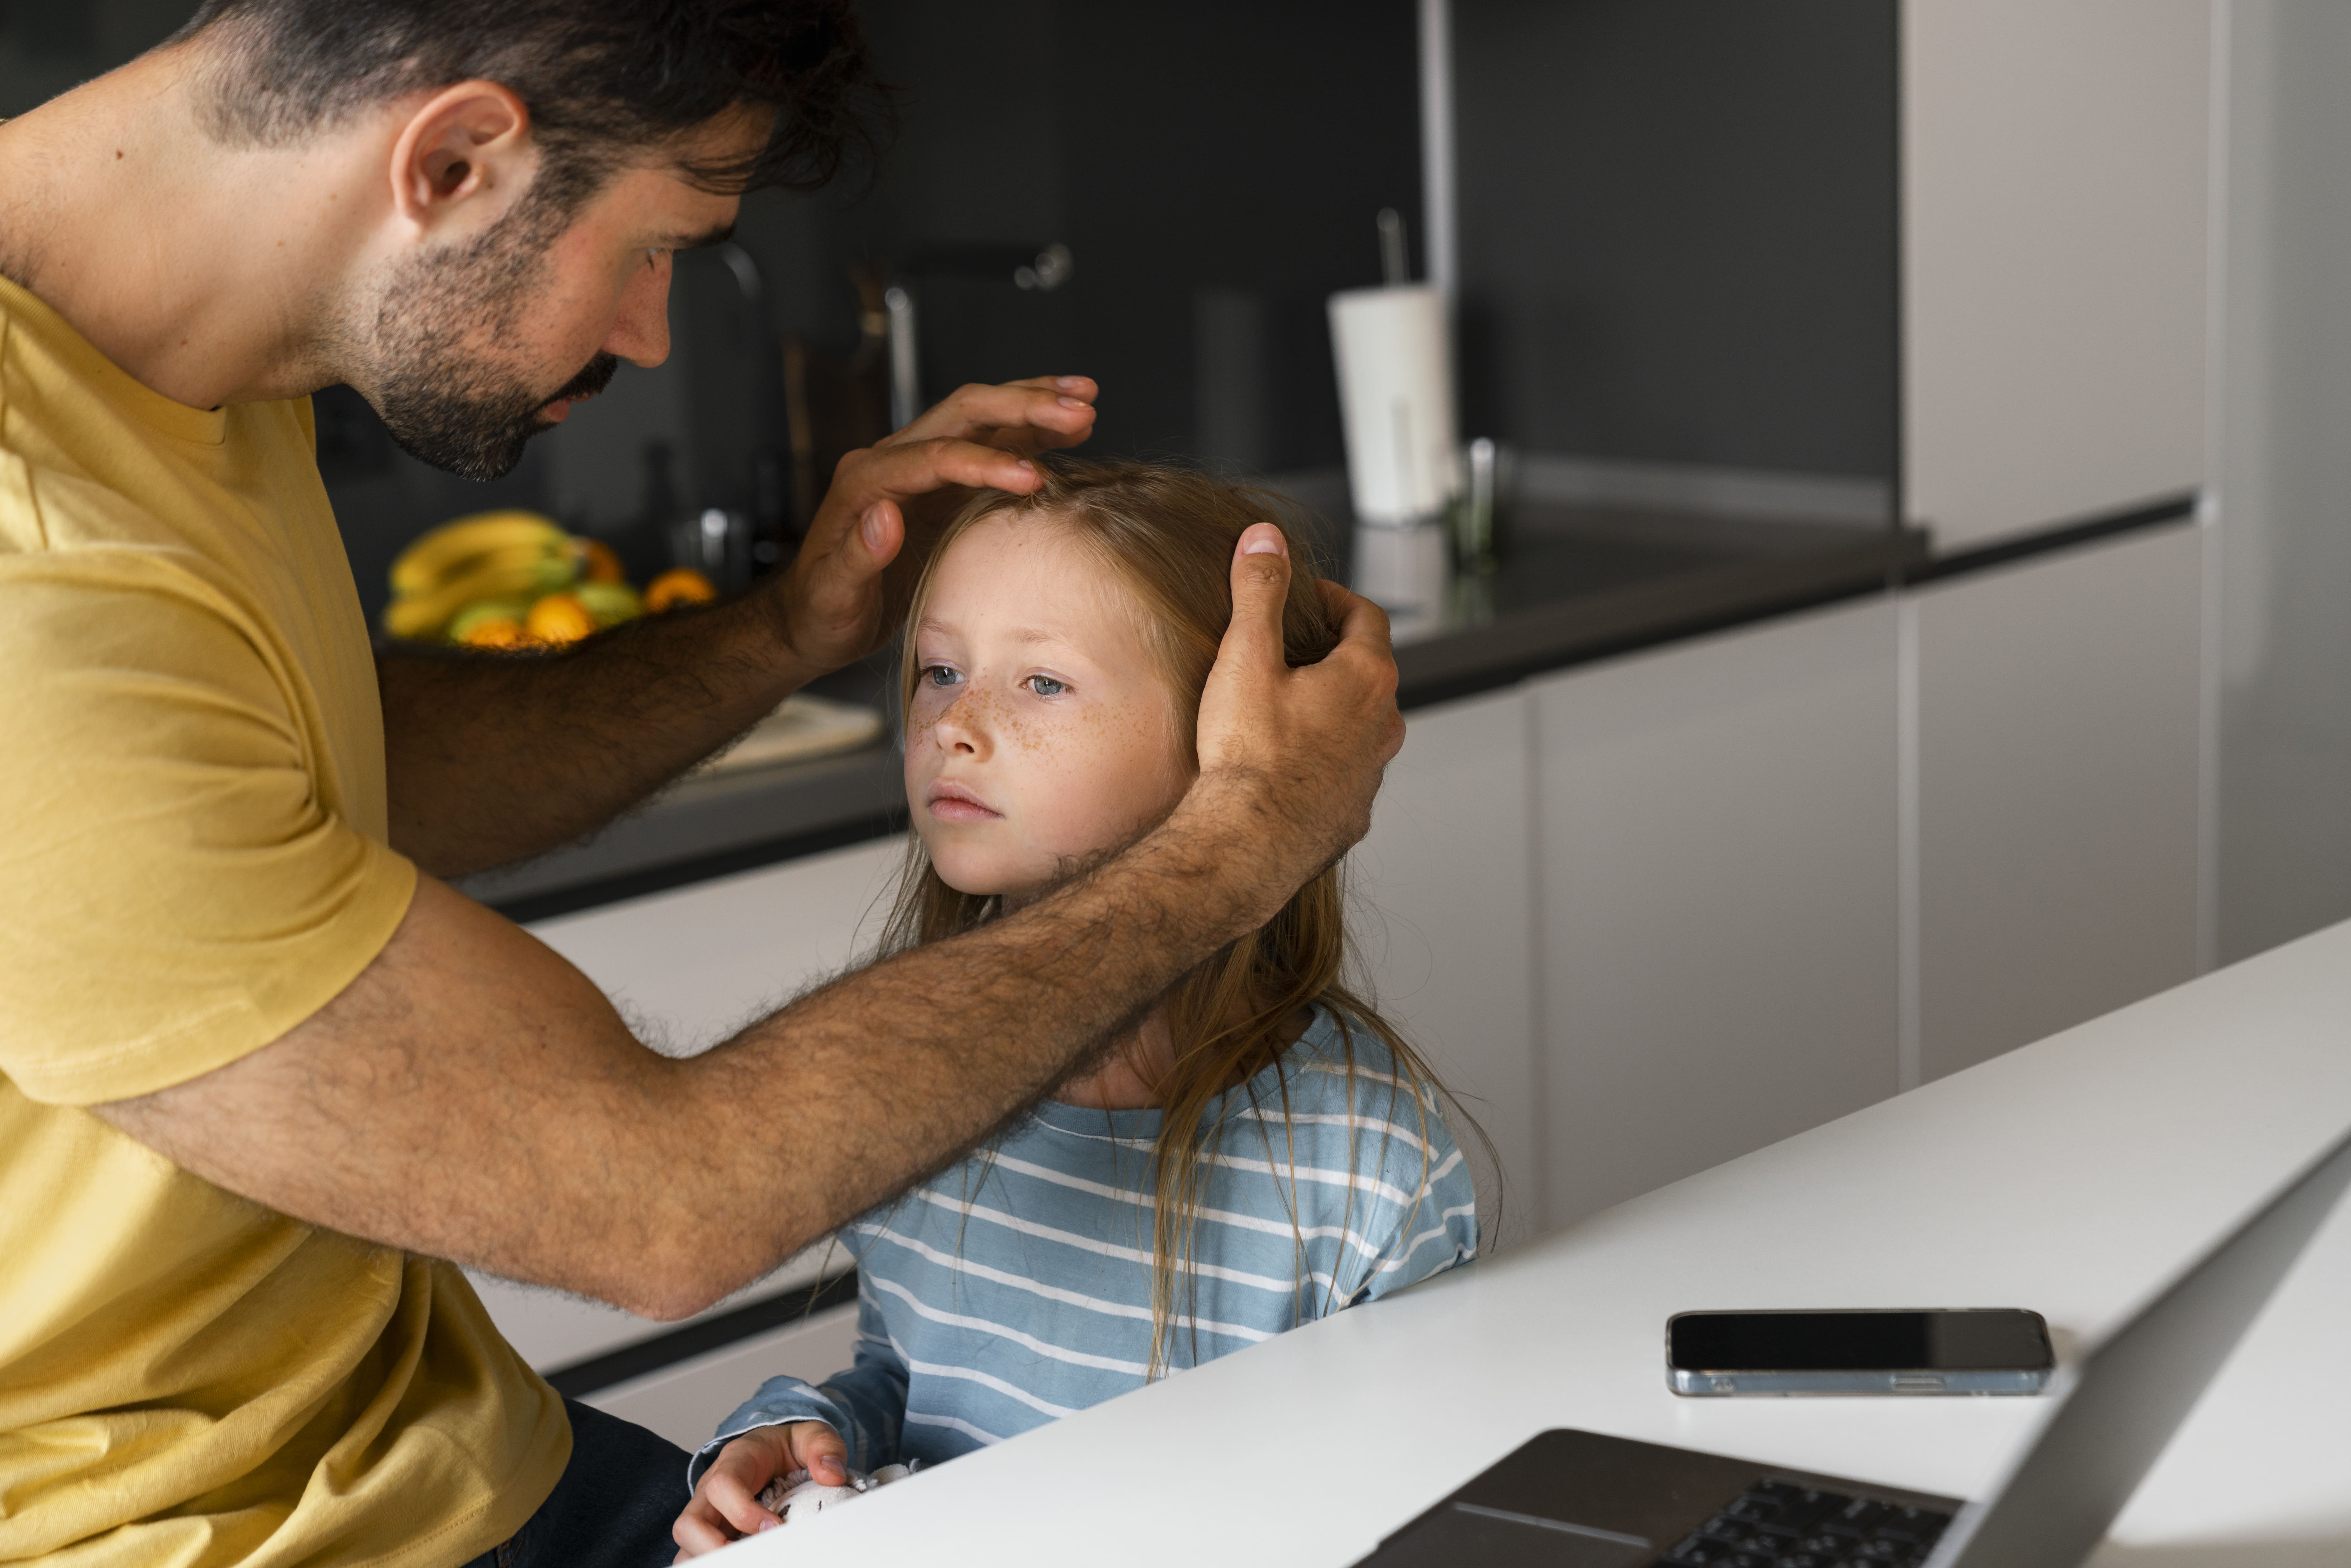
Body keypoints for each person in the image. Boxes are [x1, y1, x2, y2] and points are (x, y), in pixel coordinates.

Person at [0, 6, 1403, 1568]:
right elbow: (664, 1199)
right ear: (454, 160)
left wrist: (787, 632)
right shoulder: (31, 585)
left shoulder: (178, 362)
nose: (656, 333)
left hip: (422, 1450)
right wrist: (1241, 840)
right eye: (661, 241)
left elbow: (314, 774)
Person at [670, 463, 1483, 1555]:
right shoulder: (915, 1092)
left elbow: (1417, 1501)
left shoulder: (1367, 1165)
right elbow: (910, 1381)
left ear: (1237, 740)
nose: (955, 722)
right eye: (941, 668)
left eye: (1041, 683)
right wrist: (798, 1439)